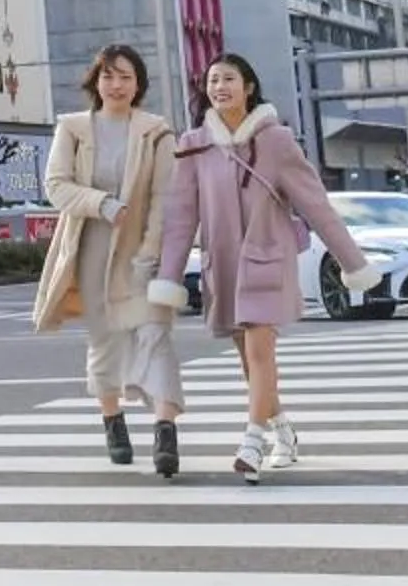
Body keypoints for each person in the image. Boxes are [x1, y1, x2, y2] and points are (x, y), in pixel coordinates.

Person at [154, 52, 382, 483]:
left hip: (266, 261)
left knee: (260, 352)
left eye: (229, 79)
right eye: (213, 80)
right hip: (222, 266)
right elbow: (182, 217)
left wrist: (354, 264)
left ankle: (252, 442)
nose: (220, 87)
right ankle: (283, 431)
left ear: (249, 87)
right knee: (248, 361)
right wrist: (169, 277)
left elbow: (316, 205)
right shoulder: (194, 145)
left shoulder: (276, 141)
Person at [32, 42, 186, 477]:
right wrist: (101, 204)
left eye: (125, 77)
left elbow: (165, 197)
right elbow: (56, 186)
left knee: (156, 333)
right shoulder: (74, 128)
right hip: (91, 242)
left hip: (141, 245)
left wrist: (152, 249)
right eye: (108, 76)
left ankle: (165, 430)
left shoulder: (156, 132)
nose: (116, 85)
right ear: (95, 81)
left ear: (138, 84)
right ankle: (112, 419)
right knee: (104, 338)